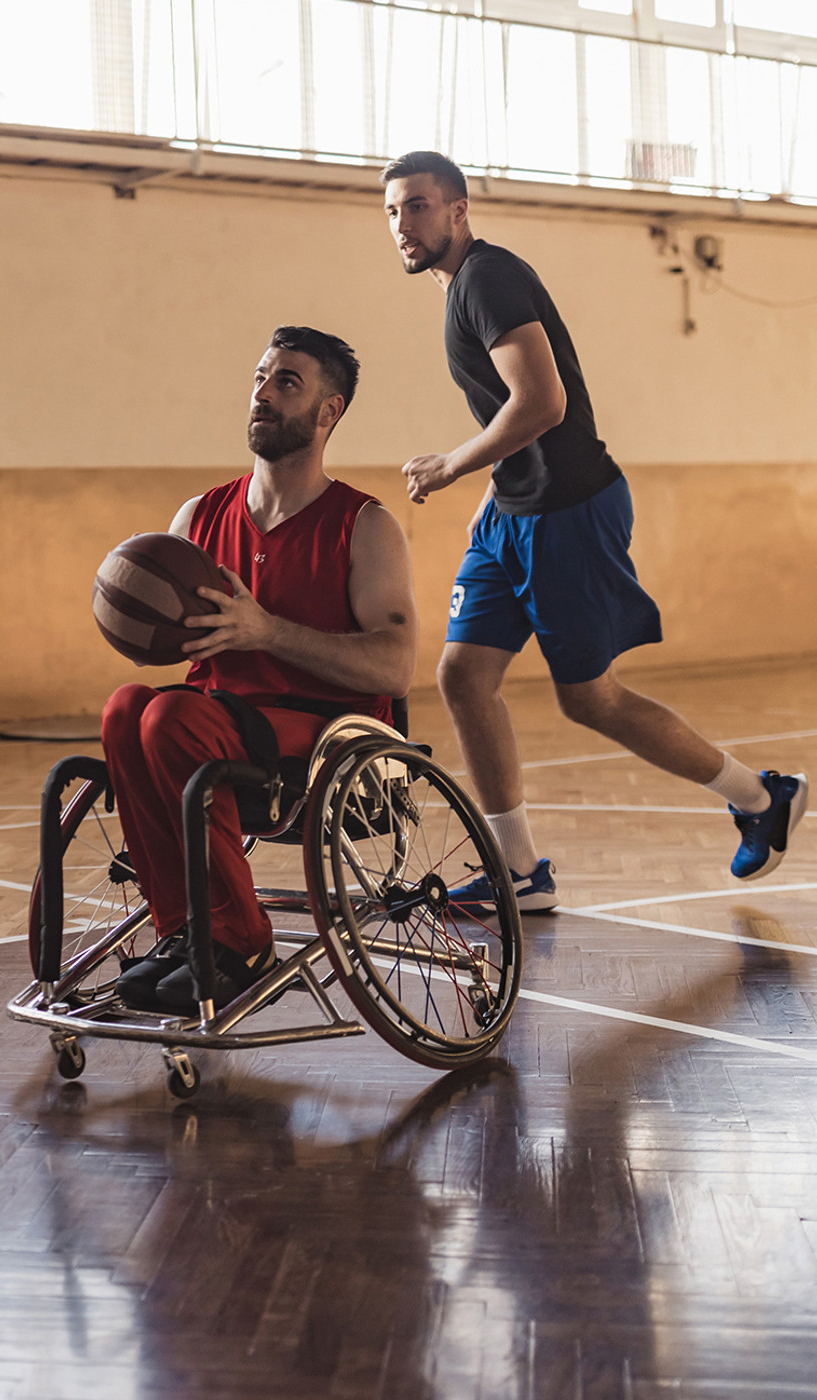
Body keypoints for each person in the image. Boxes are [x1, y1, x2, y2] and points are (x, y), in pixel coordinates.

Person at [381, 150, 806, 911]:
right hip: (513, 512)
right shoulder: (460, 291)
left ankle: (761, 798)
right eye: (391, 211)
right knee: (463, 676)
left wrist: (451, 466)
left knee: (591, 700)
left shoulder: (487, 277)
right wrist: (490, 491)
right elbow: (518, 418)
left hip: (569, 510)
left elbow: (542, 403)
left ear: (457, 209)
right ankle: (519, 871)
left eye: (417, 206)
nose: (402, 224)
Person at [101, 326, 418, 1015]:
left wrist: (267, 631)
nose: (262, 395)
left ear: (328, 412)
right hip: (208, 724)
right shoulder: (199, 515)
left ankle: (241, 943)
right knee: (128, 707)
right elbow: (168, 638)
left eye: (287, 383)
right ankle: (184, 934)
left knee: (170, 716)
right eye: (260, 378)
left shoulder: (364, 526)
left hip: (321, 735)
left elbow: (395, 668)